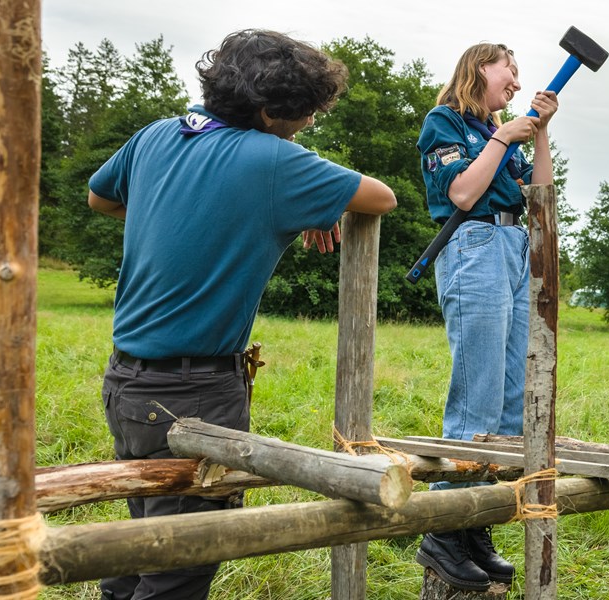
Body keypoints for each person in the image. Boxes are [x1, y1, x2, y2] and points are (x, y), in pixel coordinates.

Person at [87, 29, 396, 600]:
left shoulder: (156, 135)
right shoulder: (274, 160)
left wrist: (181, 209)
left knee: (134, 548)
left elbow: (100, 198)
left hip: (126, 384)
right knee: (181, 564)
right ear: (266, 110)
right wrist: (296, 195)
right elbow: (381, 197)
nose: (307, 125)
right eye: (303, 114)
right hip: (194, 392)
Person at [414, 42, 558, 592]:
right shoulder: (444, 122)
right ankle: (444, 529)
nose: (517, 81)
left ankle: (476, 522)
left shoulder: (505, 129)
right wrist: (502, 136)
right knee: (476, 394)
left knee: (511, 396)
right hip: (473, 243)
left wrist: (539, 131)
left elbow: (539, 191)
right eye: (510, 70)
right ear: (480, 68)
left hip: (514, 242)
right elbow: (462, 192)